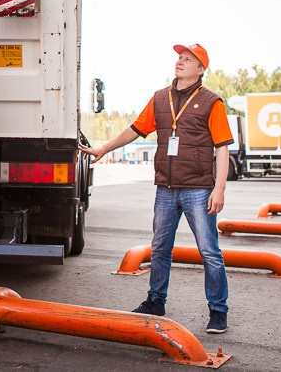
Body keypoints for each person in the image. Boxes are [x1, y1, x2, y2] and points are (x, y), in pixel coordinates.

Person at [80, 43, 233, 334]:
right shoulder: (160, 99)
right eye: (179, 57)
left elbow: (222, 148)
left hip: (198, 189)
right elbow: (136, 129)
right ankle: (155, 301)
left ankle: (218, 311)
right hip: (165, 187)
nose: (180, 61)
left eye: (188, 59)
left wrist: (220, 189)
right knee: (160, 248)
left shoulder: (212, 102)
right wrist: (105, 148)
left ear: (201, 70)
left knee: (209, 251)